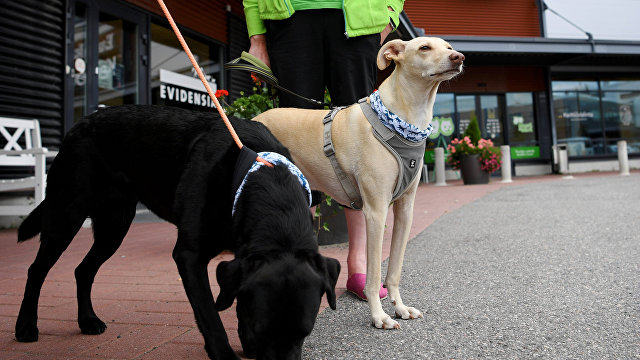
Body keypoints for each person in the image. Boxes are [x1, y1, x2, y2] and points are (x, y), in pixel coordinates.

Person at [243, 0, 405, 300]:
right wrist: (257, 37)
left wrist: (388, 16)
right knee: (296, 140)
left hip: (357, 18)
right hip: (290, 19)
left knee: (360, 139)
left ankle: (359, 264)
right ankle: (303, 257)